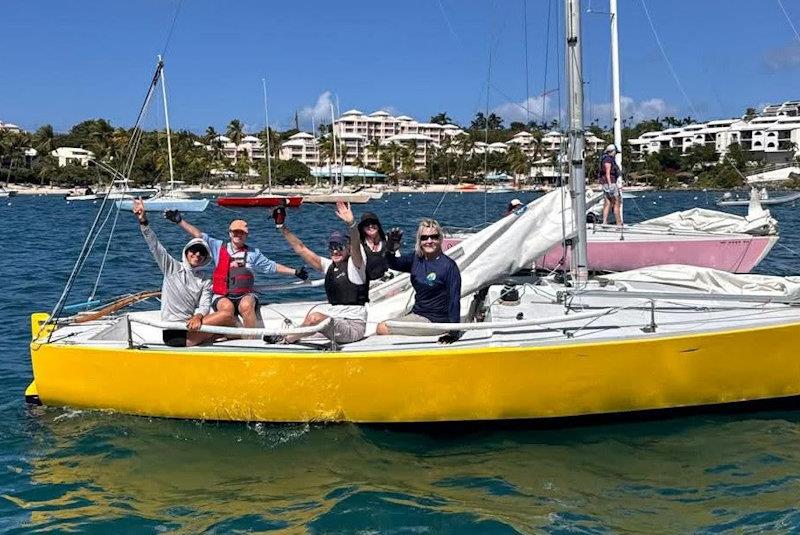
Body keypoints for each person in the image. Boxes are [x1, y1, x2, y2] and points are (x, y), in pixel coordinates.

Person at [165, 209, 307, 329]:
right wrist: (179, 221)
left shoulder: (254, 253)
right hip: (222, 294)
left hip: (244, 294)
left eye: (241, 232)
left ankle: (251, 341)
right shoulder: (217, 247)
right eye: (235, 232)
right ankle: (204, 329)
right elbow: (198, 235)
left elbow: (271, 266)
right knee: (227, 308)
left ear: (246, 235)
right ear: (230, 233)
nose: (237, 235)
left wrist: (295, 272)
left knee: (246, 305)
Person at [132, 199, 234, 347]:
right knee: (226, 315)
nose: (197, 254)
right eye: (193, 250)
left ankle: (219, 337)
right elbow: (155, 246)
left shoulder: (205, 280)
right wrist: (143, 221)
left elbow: (205, 304)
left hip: (191, 325)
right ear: (186, 252)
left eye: (202, 253)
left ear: (206, 258)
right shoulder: (171, 268)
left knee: (227, 320)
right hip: (174, 333)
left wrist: (198, 316)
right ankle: (239, 338)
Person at [270, 200, 368, 344]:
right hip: (333, 322)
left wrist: (351, 224)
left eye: (340, 247)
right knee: (308, 323)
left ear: (347, 249)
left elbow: (356, 245)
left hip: (352, 327)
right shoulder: (328, 266)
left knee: (315, 318)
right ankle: (287, 337)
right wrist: (281, 227)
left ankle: (284, 341)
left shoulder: (356, 266)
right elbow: (301, 248)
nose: (335, 250)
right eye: (332, 247)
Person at [375, 218, 462, 344]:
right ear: (419, 241)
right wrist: (390, 249)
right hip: (418, 314)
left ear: (440, 239)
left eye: (434, 237)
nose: (429, 241)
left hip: (436, 321)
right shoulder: (416, 259)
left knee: (381, 328)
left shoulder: (449, 266)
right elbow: (392, 263)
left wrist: (454, 332)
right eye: (424, 238)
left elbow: (455, 300)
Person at [357, 211, 389, 281]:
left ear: (378, 225)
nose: (370, 226)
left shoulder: (387, 240)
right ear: (362, 228)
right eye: (366, 224)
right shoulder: (360, 245)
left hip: (388, 281)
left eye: (373, 222)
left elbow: (396, 260)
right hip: (368, 284)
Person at [598, 144, 622, 226]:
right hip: (610, 183)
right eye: (615, 152)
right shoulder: (608, 160)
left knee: (607, 202)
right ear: (612, 152)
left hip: (606, 183)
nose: (616, 154)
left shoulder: (605, 159)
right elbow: (608, 173)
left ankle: (604, 222)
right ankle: (619, 223)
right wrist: (610, 185)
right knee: (616, 203)